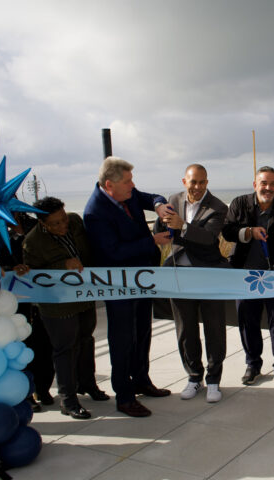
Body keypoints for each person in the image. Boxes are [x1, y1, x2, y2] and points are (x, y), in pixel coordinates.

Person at [83, 157, 173, 417]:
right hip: (119, 285)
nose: (133, 186)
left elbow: (152, 196)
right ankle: (124, 396)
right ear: (109, 185)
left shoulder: (128, 194)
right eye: (128, 181)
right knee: (122, 339)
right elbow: (113, 252)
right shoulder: (94, 212)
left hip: (143, 279)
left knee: (143, 331)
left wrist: (158, 207)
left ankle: (142, 380)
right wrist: (152, 241)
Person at [23, 197, 108, 419]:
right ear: (42, 223)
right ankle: (68, 400)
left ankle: (88, 384)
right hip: (58, 307)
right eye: (55, 224)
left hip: (85, 296)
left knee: (86, 340)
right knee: (65, 350)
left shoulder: (75, 222)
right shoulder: (32, 242)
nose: (62, 226)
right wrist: (62, 266)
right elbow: (33, 275)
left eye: (63, 219)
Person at [222, 166, 274, 389]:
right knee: (248, 323)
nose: (268, 187)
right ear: (255, 184)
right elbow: (227, 231)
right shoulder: (239, 204)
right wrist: (248, 232)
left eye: (273, 184)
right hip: (245, 276)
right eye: (263, 183)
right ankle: (253, 365)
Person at [159, 164, 229, 403]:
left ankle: (213, 381)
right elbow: (164, 228)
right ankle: (193, 377)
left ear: (207, 182)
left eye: (202, 182)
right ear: (184, 182)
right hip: (179, 275)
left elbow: (209, 239)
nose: (197, 187)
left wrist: (184, 227)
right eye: (193, 182)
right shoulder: (173, 200)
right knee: (185, 330)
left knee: (214, 329)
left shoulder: (218, 207)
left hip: (208, 275)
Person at [0, 211, 53, 411]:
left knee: (43, 342)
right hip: (12, 301)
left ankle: (43, 387)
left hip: (40, 295)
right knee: (21, 345)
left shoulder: (33, 223)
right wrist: (10, 267)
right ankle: (25, 392)